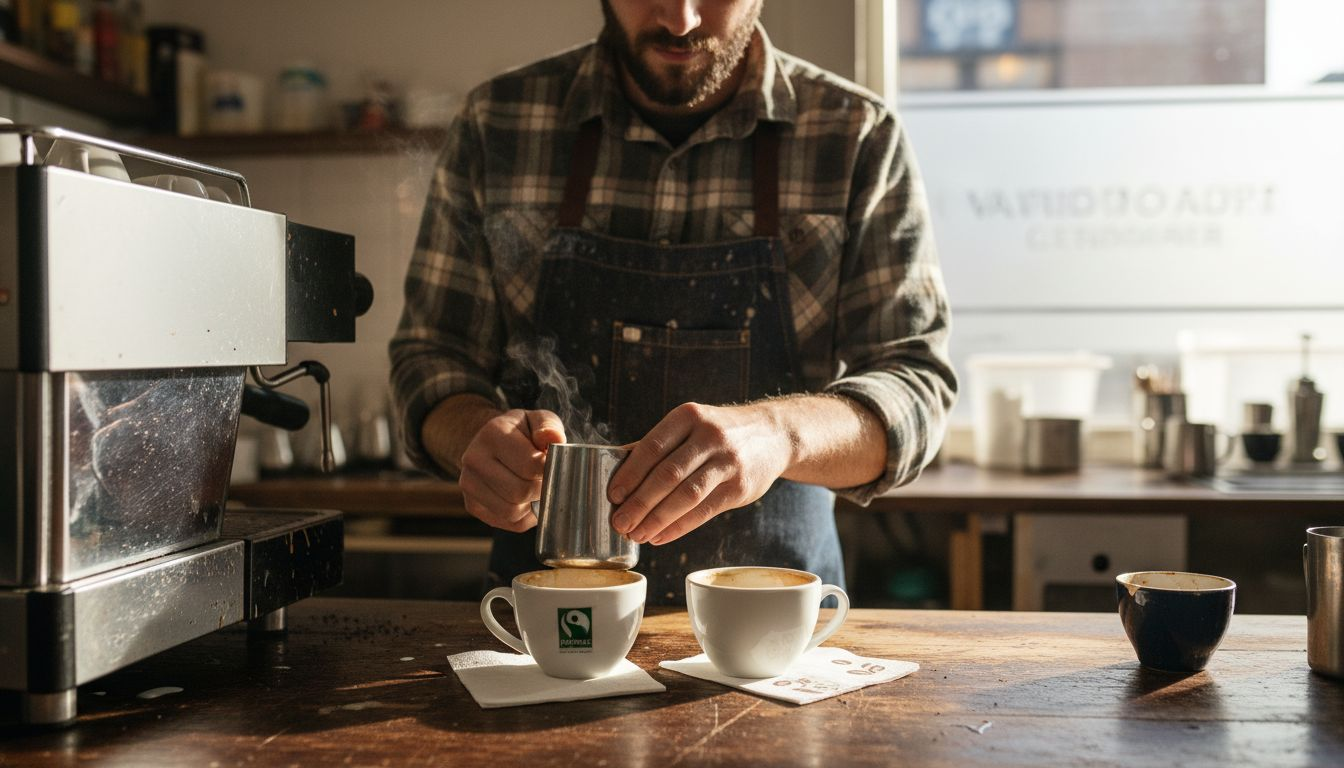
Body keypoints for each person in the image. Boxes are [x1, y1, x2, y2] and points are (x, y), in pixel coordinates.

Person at [390, 0, 956, 604]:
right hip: (547, 624)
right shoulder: (497, 124)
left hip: (770, 630)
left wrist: (778, 433)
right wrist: (474, 433)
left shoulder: (856, 137)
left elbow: (915, 386)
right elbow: (431, 357)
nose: (681, 20)